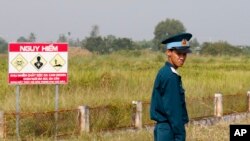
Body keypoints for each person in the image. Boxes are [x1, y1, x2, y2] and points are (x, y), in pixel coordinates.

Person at [150, 32, 192, 141]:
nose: (182, 57)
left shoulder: (164, 72)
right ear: (168, 52)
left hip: (163, 128)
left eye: (184, 54)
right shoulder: (170, 76)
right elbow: (173, 111)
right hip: (169, 130)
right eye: (179, 53)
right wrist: (180, 136)